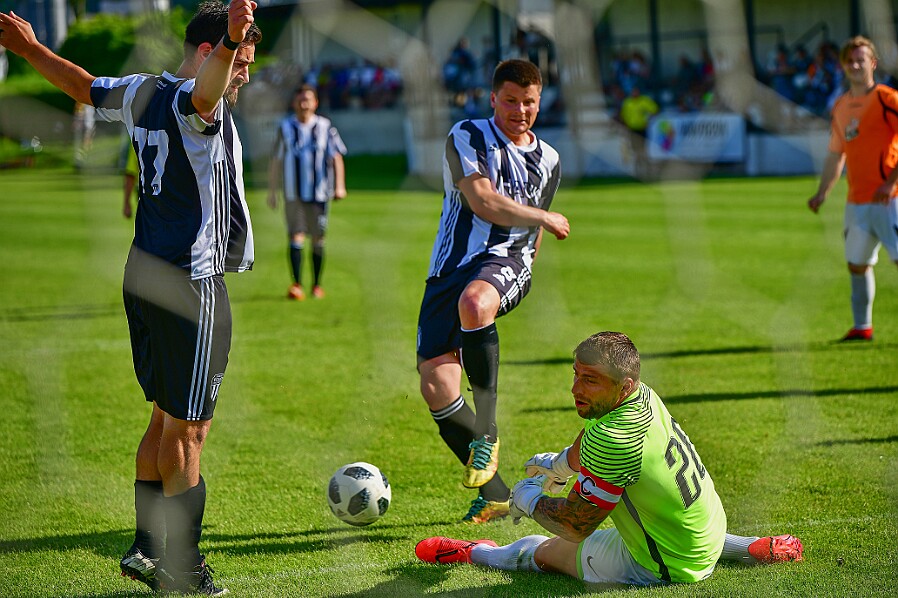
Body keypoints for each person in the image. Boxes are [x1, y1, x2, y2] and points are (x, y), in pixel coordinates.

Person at [0, 2, 260, 594]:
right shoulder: (197, 100)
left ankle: (146, 548)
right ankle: (184, 567)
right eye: (241, 62)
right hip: (191, 284)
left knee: (165, 418)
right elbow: (204, 95)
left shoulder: (141, 90)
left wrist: (29, 48)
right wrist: (230, 42)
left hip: (144, 275)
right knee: (189, 433)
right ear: (207, 52)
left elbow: (83, 86)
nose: (244, 74)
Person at [416, 331, 804, 586]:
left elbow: (574, 526)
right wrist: (561, 465)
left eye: (590, 380)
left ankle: (476, 552)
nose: (575, 388)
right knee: (661, 522)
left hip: (663, 564)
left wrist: (527, 498)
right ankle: (748, 546)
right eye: (576, 374)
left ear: (624, 385)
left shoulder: (615, 440)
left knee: (543, 552)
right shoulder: (642, 396)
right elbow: (594, 434)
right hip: (707, 525)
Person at [416, 59, 570, 524]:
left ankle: (487, 432)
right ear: (492, 99)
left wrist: (527, 263)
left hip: (506, 262)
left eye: (529, 102)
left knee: (475, 302)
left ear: (539, 102)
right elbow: (482, 200)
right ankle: (497, 494)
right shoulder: (467, 135)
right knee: (436, 387)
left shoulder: (549, 159)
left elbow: (533, 235)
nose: (520, 110)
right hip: (449, 268)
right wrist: (543, 217)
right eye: (510, 101)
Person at [807, 36, 898, 342]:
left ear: (873, 63)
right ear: (843, 66)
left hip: (890, 200)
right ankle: (862, 327)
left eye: (861, 59)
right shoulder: (841, 106)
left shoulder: (887, 99)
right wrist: (822, 192)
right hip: (856, 203)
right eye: (850, 61)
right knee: (857, 265)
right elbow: (836, 155)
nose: (855, 65)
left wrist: (890, 182)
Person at [267, 84, 347, 300]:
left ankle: (317, 285)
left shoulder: (325, 127)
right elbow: (276, 161)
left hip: (319, 194)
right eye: (300, 100)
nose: (304, 104)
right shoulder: (285, 127)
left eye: (308, 100)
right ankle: (297, 284)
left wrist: (340, 185)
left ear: (315, 103)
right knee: (296, 235)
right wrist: (272, 191)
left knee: (318, 238)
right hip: (293, 194)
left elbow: (337, 156)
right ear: (294, 103)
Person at [619, 86, 659, 178]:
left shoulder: (644, 100)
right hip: (632, 130)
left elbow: (655, 110)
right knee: (636, 151)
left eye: (636, 92)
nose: (635, 93)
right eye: (633, 92)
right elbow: (623, 115)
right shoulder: (627, 103)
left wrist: (648, 119)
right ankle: (638, 172)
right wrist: (625, 125)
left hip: (642, 129)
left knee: (644, 150)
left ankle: (647, 171)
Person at [122, 145, 138, 219]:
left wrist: (126, 202)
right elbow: (131, 174)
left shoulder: (138, 140)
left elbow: (131, 175)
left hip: (147, 197)